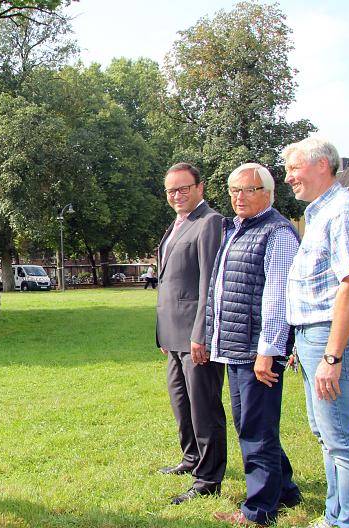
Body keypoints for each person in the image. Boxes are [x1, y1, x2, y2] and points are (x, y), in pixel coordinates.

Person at [283, 137, 349, 528]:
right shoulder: (321, 213)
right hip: (313, 335)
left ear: (323, 165)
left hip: (329, 337)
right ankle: (335, 516)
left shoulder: (344, 212)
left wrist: (332, 356)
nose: (288, 178)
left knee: (339, 436)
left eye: (294, 169)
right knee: (324, 432)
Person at [206, 164, 302, 527]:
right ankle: (286, 490)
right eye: (233, 190)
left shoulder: (276, 233)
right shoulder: (237, 229)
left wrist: (269, 350)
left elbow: (277, 298)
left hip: (258, 350)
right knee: (250, 422)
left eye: (247, 190)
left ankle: (260, 509)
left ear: (268, 193)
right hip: (237, 345)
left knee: (256, 428)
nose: (238, 197)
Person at [155, 162, 226, 505]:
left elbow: (208, 282)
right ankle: (191, 458)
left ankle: (208, 478)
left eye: (183, 188)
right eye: (170, 190)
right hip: (173, 334)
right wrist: (163, 334)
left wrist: (202, 333)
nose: (176, 195)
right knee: (181, 404)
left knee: (203, 408)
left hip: (196, 336)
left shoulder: (209, 222)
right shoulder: (175, 225)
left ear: (200, 188)